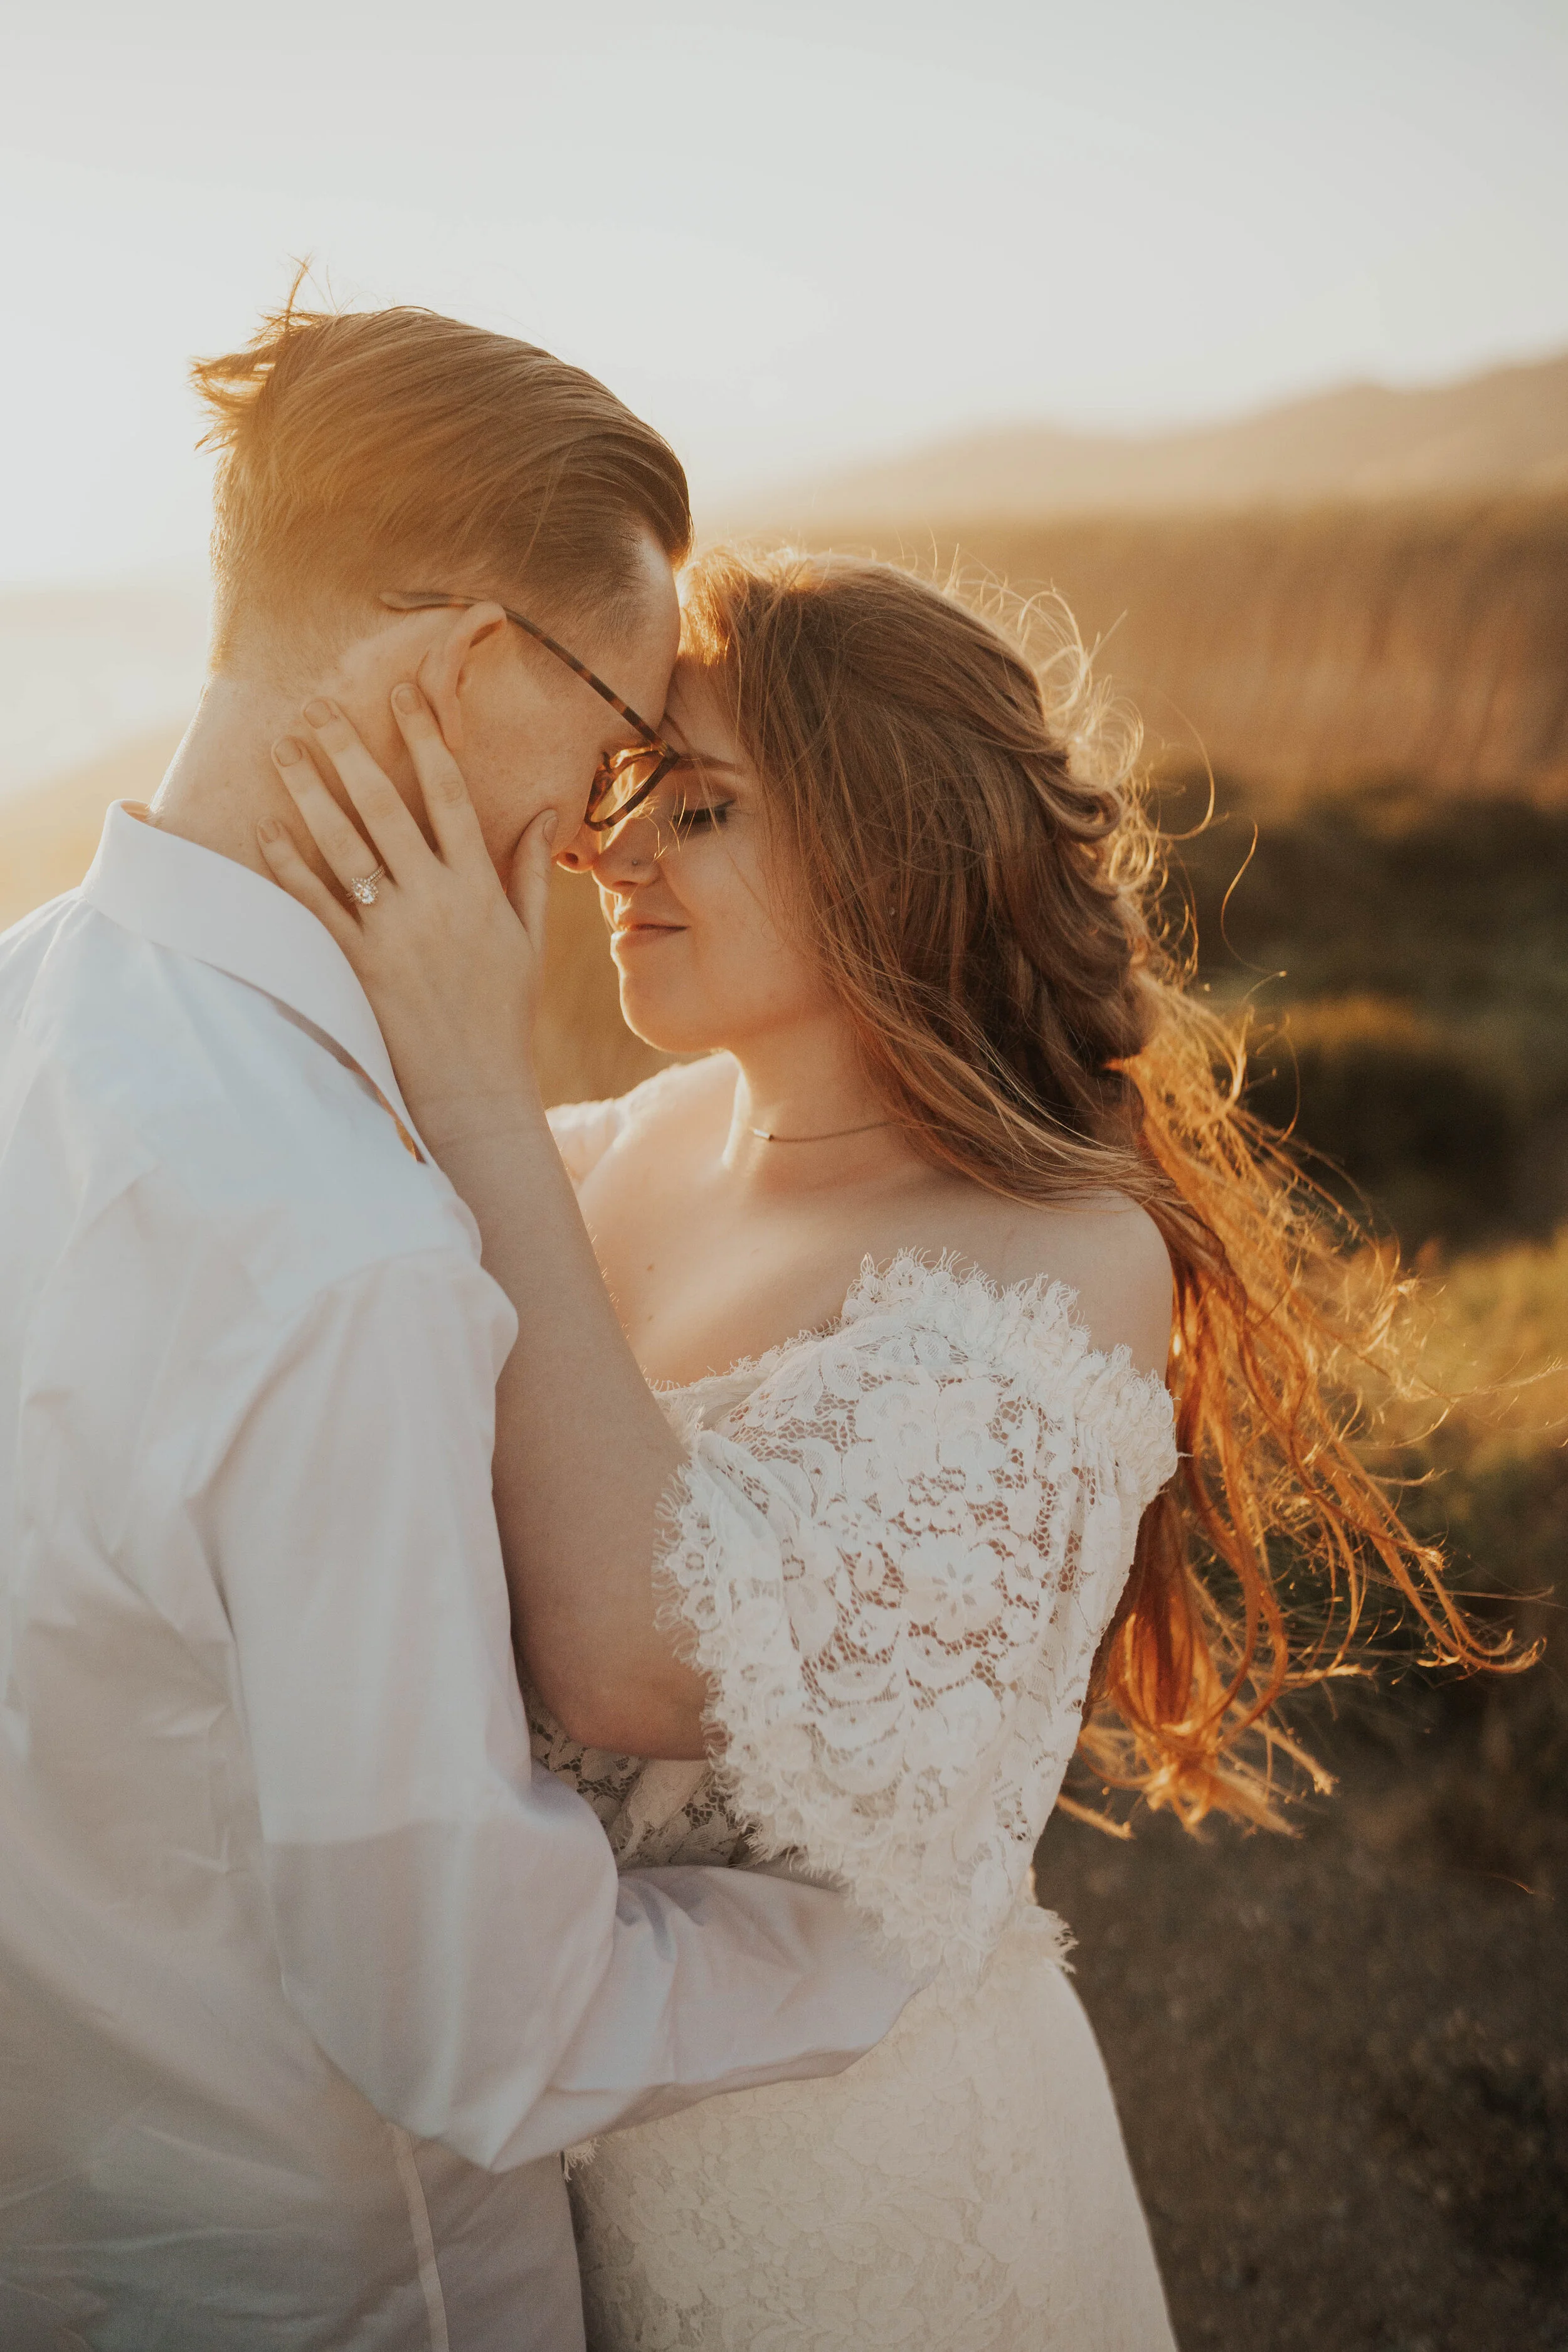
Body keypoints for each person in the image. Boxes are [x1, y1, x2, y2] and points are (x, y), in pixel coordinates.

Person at [259, 544, 1496, 2348]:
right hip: (537, 2178)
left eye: (691, 808)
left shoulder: (1062, 1257)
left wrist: (471, 1078)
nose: (609, 855)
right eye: (616, 799)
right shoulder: (631, 1149)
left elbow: (625, 1648)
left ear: (889, 839)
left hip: (849, 2215)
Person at [0, 307, 919, 2352]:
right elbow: (472, 2022)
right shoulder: (340, 1245)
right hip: (345, 2287)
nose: (605, 830)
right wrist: (852, 1954)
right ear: (457, 671)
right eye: (610, 740)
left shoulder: (21, 1009)